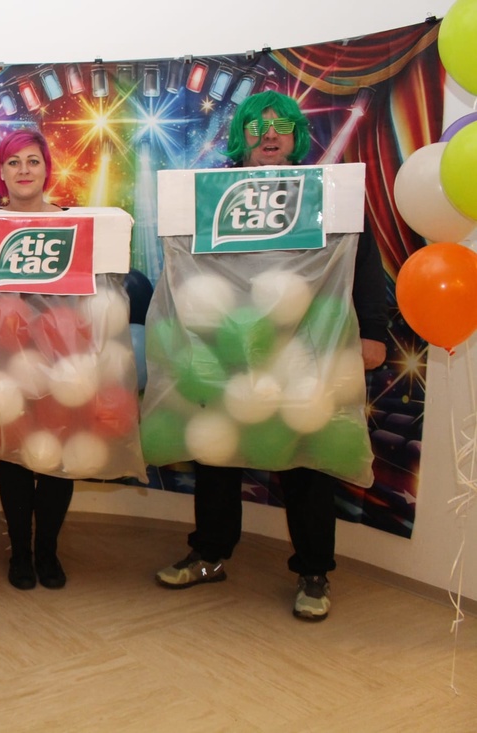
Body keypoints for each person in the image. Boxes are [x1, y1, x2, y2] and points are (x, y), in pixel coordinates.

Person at [154, 91, 388, 621]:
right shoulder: (210, 193)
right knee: (215, 451)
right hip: (225, 345)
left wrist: (373, 329)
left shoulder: (325, 191)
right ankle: (210, 554)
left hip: (306, 345)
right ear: (240, 135)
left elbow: (361, 260)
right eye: (256, 127)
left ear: (297, 136)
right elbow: (182, 268)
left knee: (309, 457)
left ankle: (314, 571)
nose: (269, 135)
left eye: (281, 125)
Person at [0, 129, 75, 590]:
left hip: (62, 361)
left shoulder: (74, 222)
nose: (24, 170)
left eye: (32, 161)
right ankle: (20, 553)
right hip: (5, 361)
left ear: (47, 169)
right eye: (13, 162)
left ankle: (48, 550)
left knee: (57, 454)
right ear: (1, 173)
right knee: (15, 458)